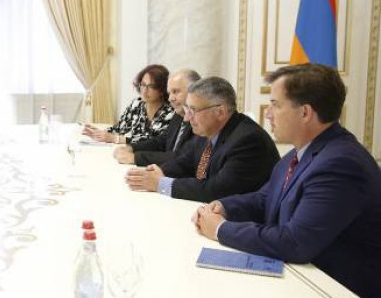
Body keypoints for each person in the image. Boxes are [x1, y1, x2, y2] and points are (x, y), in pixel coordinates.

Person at [193, 64, 381, 298]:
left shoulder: (340, 164)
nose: (268, 114)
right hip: (304, 282)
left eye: (275, 105)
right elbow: (266, 199)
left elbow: (295, 243)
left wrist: (221, 229)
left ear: (305, 112)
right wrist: (223, 207)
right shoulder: (301, 152)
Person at [126, 77, 279, 202]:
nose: (187, 117)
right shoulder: (207, 130)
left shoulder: (248, 140)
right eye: (187, 109)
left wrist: (160, 183)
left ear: (220, 112)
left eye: (193, 110)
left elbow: (215, 190)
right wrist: (158, 172)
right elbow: (185, 161)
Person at [114, 69, 201, 166]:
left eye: (175, 92)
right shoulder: (179, 114)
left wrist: (135, 158)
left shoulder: (201, 121)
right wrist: (132, 147)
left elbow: (183, 157)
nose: (170, 99)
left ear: (194, 91)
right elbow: (161, 141)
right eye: (169, 93)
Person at [83, 64, 174, 145]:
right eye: (143, 85)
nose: (145, 90)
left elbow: (153, 142)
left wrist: (116, 139)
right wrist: (99, 132)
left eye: (151, 86)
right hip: (131, 152)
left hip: (150, 157)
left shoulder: (169, 112)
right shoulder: (137, 104)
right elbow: (120, 128)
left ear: (162, 89)